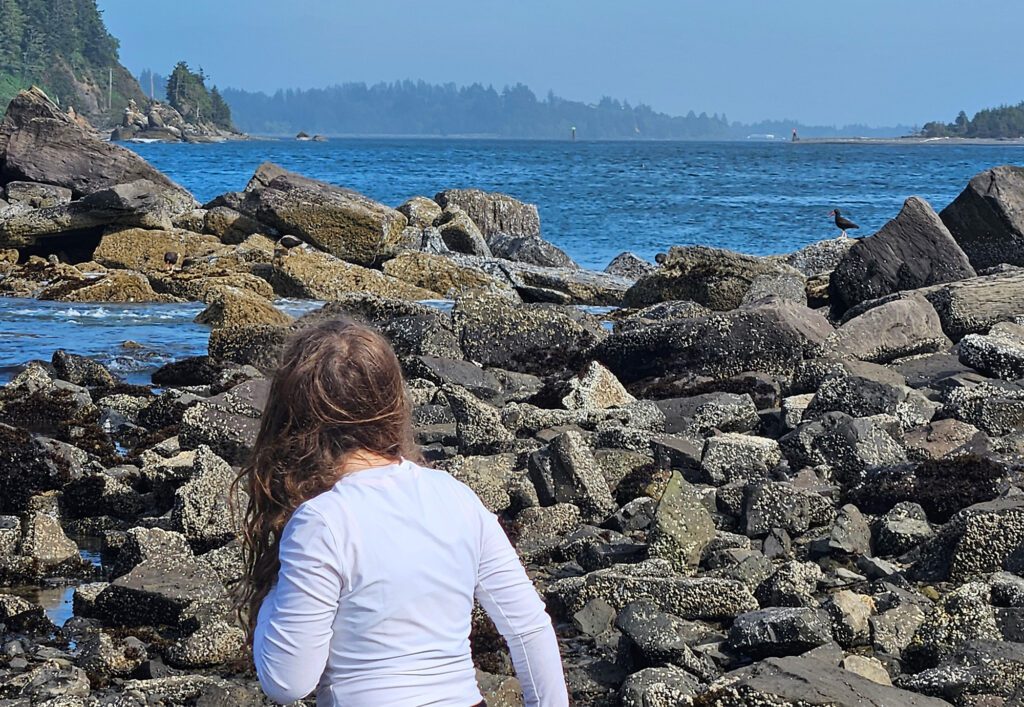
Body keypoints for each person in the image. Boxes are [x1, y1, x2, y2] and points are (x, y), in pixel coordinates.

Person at [232, 318, 569, 707]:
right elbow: (529, 629)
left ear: (292, 418)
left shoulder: (321, 522)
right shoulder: (455, 496)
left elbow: (287, 682)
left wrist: (271, 590)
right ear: (393, 401)